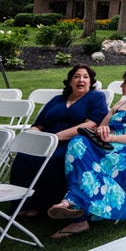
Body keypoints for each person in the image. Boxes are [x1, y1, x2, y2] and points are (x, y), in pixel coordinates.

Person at [47, 63, 126, 239]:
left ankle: (74, 208)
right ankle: (75, 205)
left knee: (92, 164)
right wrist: (103, 133)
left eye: (125, 82)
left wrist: (114, 138)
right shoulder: (120, 102)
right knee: (78, 142)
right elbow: (101, 127)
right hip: (109, 145)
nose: (121, 85)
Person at [9, 65, 108, 218]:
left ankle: (44, 205)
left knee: (54, 159)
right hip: (46, 139)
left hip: (74, 141)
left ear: (91, 81)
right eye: (76, 76)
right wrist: (35, 135)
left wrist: (57, 137)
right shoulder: (57, 100)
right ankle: (22, 203)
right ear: (70, 82)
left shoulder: (96, 97)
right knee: (24, 157)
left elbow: (91, 124)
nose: (81, 80)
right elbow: (38, 124)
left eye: (85, 77)